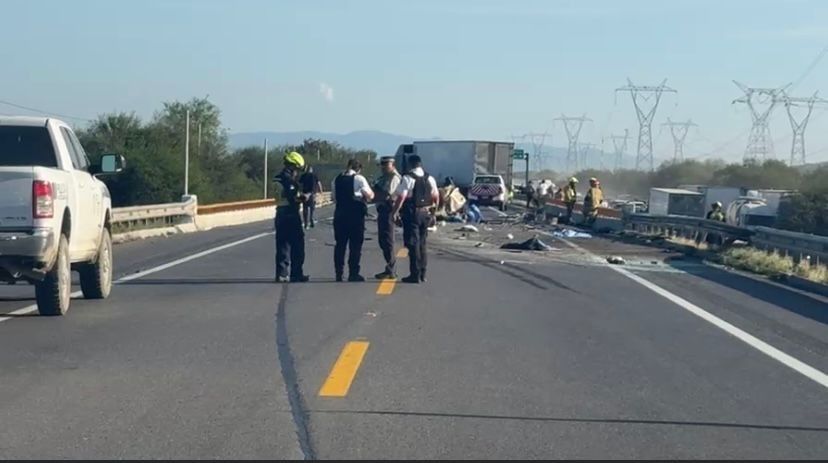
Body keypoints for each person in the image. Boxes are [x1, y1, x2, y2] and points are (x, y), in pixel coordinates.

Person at [391, 154, 439, 284]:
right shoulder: (430, 178)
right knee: (423, 243)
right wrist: (434, 213)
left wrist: (394, 212)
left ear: (410, 164)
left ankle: (415, 274)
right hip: (426, 213)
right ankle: (423, 273)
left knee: (413, 244)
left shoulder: (408, 178)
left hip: (412, 214)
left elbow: (401, 197)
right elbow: (436, 196)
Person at [331, 159, 374, 282]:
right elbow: (370, 195)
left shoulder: (336, 179)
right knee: (355, 245)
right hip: (355, 216)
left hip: (339, 215)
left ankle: (339, 273)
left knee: (340, 245)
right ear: (358, 169)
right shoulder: (359, 179)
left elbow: (334, 198)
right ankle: (353, 273)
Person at [274, 151, 310, 283]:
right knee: (297, 245)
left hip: (280, 213)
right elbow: (294, 197)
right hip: (291, 214)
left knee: (282, 245)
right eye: (297, 169)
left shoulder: (277, 178)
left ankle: (281, 273)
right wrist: (305, 197)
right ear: (293, 166)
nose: (298, 173)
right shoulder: (289, 181)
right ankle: (296, 274)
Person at [373, 156, 402, 280]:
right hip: (383, 209)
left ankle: (392, 269)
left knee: (388, 240)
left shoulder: (394, 178)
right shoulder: (384, 177)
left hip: (389, 209)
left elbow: (388, 194)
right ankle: (389, 267)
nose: (384, 167)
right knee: (383, 240)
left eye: (386, 165)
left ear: (392, 165)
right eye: (382, 165)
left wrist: (376, 193)